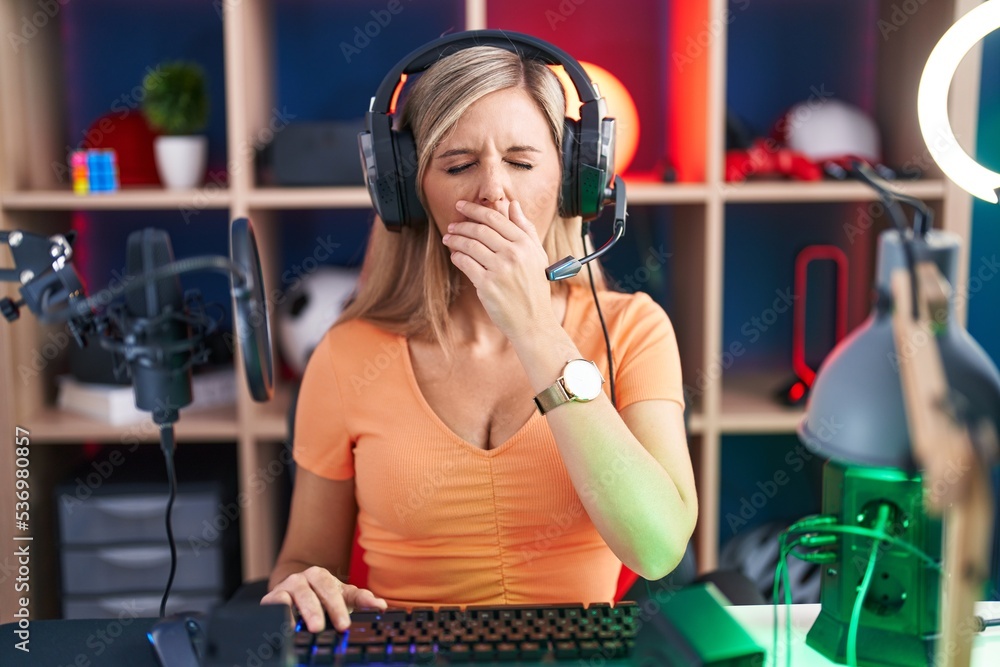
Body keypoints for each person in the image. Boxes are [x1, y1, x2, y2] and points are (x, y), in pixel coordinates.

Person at [262, 40, 697, 634]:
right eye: (458, 165)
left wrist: (536, 329)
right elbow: (306, 559)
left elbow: (656, 549)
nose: (494, 191)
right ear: (408, 192)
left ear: (572, 180)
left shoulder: (634, 330)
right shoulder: (348, 355)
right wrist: (303, 587)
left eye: (522, 162)